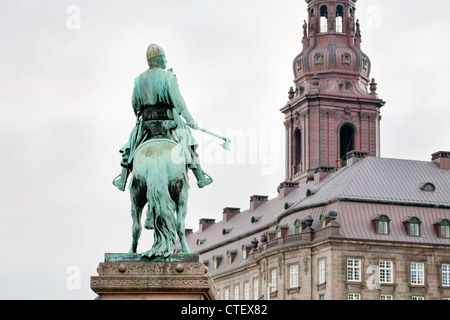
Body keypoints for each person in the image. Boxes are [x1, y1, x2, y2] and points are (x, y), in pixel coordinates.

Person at [113, 44, 213, 191]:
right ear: (159, 59)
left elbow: (135, 106)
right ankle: (200, 177)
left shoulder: (138, 80)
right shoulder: (169, 76)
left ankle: (122, 179)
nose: (166, 61)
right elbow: (180, 105)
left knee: (131, 144)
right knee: (188, 141)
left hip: (146, 124)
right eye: (165, 57)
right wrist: (191, 121)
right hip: (170, 122)